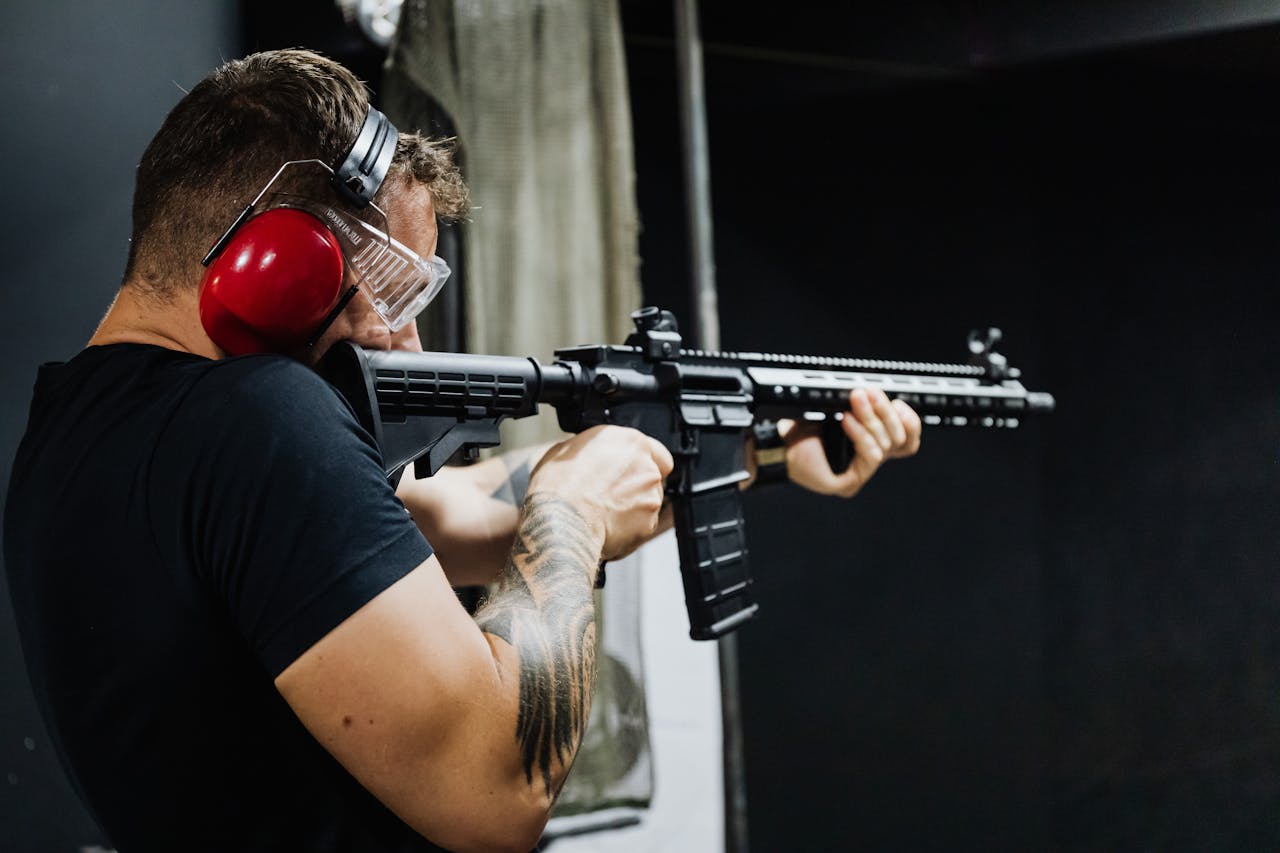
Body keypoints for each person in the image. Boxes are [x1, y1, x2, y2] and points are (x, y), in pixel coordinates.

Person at [3, 49, 921, 853]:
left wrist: (757, 453)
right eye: (392, 289)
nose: (404, 343)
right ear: (279, 263)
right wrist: (574, 513)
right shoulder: (257, 417)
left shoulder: (76, 435)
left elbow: (459, 512)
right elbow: (498, 792)